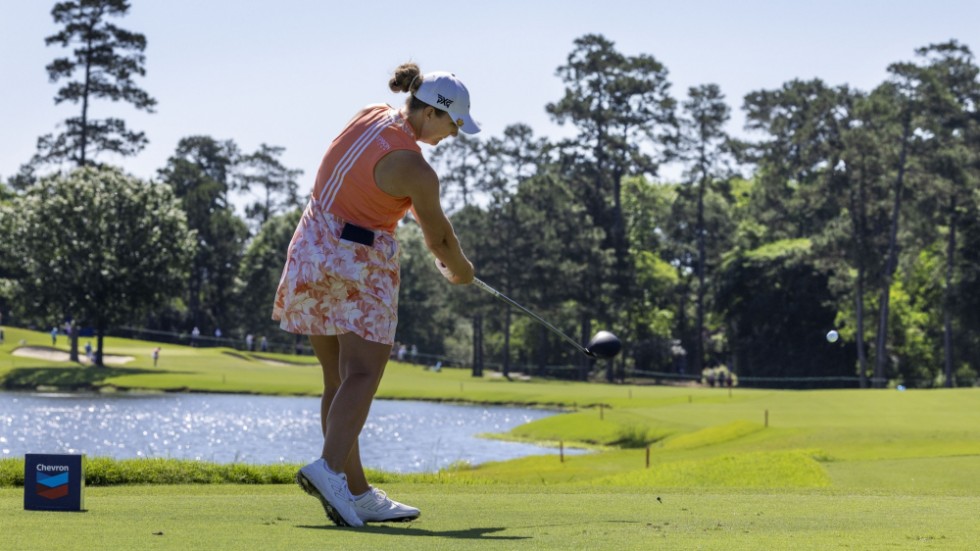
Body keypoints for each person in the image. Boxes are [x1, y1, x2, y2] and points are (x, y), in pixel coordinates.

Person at [272, 63, 478, 527]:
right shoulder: (417, 170)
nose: (454, 133)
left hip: (310, 247)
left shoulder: (371, 112)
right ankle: (327, 470)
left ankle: (358, 492)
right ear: (431, 114)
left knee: (338, 379)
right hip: (357, 261)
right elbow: (439, 240)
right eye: (453, 123)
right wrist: (462, 271)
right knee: (364, 372)